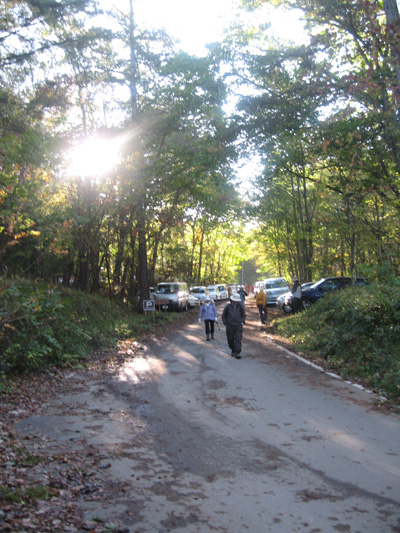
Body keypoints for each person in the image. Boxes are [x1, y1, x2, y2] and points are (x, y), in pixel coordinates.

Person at [222, 293, 246, 359]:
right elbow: (224, 315)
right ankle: (233, 349)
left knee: (238, 339)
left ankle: (237, 352)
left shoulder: (241, 306)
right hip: (230, 326)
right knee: (230, 339)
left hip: (238, 325)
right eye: (234, 300)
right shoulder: (228, 307)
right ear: (232, 300)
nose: (236, 302)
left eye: (237, 300)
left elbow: (243, 314)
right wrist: (225, 323)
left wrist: (242, 322)